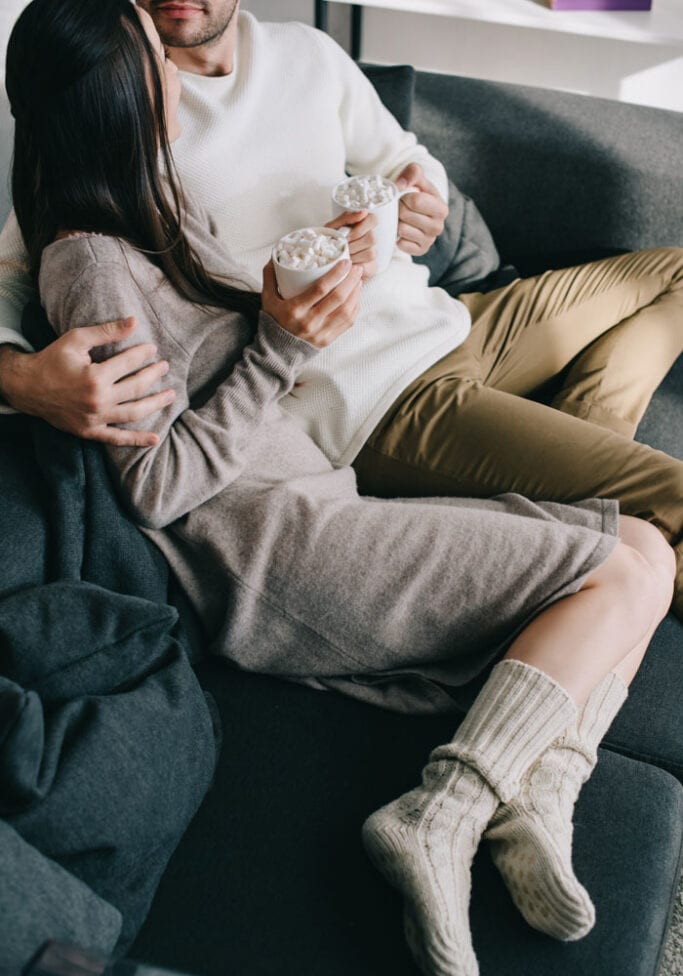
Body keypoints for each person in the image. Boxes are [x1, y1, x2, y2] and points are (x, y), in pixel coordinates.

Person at [6, 0, 675, 976]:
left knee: (640, 558)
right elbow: (155, 487)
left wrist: (363, 243)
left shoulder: (152, 212)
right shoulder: (90, 257)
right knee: (633, 559)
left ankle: (531, 783)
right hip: (281, 551)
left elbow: (228, 367)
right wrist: (281, 343)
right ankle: (441, 810)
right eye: (155, 66)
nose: (181, 78)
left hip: (320, 504)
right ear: (118, 106)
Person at [0, 2, 681, 624]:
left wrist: (420, 203)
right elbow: (23, 268)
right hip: (361, 391)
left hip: (441, 321)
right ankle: (584, 482)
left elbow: (404, 158)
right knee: (670, 495)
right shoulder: (119, 115)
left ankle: (579, 450)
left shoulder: (308, 54)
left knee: (674, 271)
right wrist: (20, 380)